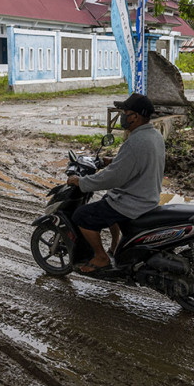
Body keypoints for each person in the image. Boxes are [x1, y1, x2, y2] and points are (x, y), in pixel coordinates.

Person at [66, 93, 165, 274]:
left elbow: (111, 178)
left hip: (132, 202)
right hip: (147, 195)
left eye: (124, 111)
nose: (121, 115)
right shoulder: (154, 136)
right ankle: (114, 247)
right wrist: (112, 160)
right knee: (108, 199)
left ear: (134, 116)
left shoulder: (136, 142)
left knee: (82, 215)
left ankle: (101, 257)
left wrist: (82, 182)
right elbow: (136, 162)